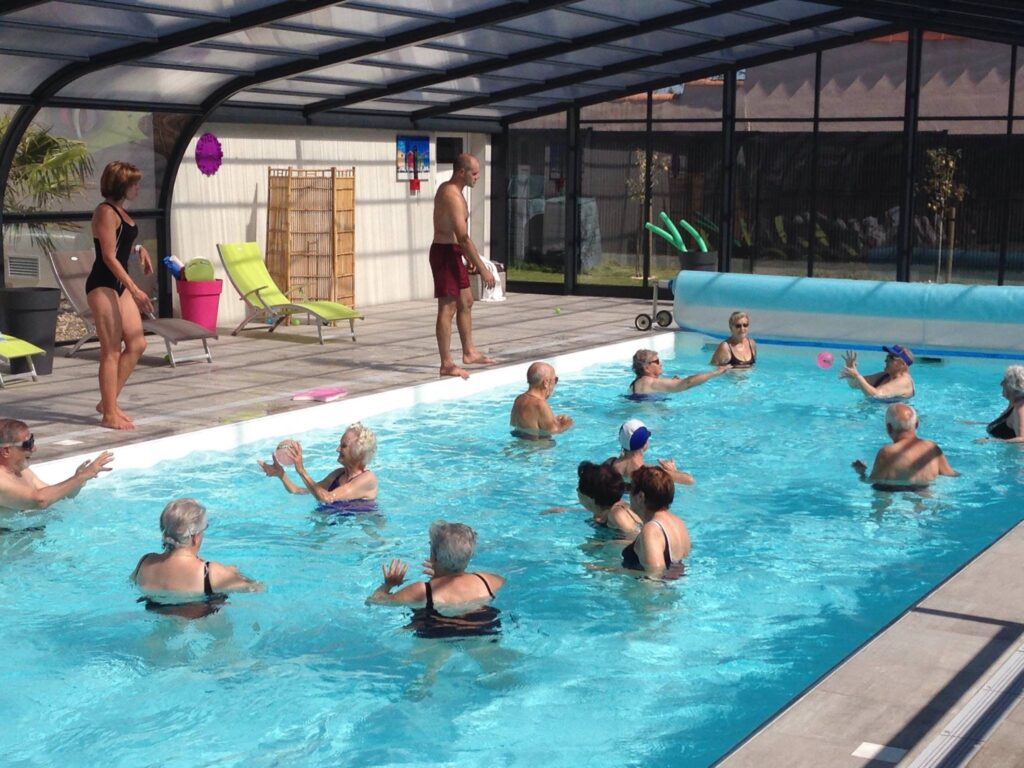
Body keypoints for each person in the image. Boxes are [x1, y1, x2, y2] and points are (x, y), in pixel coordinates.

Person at [88, 161, 154, 430]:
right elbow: (107, 255)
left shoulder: (121, 212)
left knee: (137, 344)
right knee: (111, 350)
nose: (138, 187)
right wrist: (136, 289)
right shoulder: (105, 211)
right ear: (122, 185)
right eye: (134, 183)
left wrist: (140, 249)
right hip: (103, 283)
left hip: (120, 284)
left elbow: (122, 240)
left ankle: (108, 402)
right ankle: (108, 414)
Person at [367, 520, 504, 638]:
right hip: (485, 629)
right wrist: (440, 575)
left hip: (436, 635)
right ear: (469, 555)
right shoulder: (490, 580)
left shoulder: (421, 591)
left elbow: (374, 601)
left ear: (433, 554)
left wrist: (388, 585)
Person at [131, 498, 263, 619]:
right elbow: (257, 588)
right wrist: (233, 574)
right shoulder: (211, 572)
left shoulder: (145, 562)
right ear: (195, 537)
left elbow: (131, 583)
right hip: (204, 623)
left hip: (157, 618)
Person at [431, 153, 496, 379]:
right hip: (444, 254)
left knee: (466, 301)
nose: (478, 177)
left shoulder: (453, 191)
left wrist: (467, 258)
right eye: (475, 173)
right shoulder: (451, 195)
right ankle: (446, 364)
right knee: (447, 308)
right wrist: (483, 267)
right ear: (462, 172)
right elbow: (463, 237)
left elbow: (461, 242)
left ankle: (469, 352)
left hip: (453, 253)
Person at [0, 419, 112, 512]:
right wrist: (78, 478)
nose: (34, 449)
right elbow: (40, 501)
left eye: (32, 441)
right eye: (27, 444)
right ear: (6, 451)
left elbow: (57, 497)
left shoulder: (22, 471)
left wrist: (78, 482)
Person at [258, 422, 378, 507]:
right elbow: (299, 491)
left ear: (359, 451)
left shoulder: (368, 478)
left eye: (344, 446)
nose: (337, 449)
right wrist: (281, 474)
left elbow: (327, 498)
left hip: (360, 531)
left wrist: (302, 471)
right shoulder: (337, 474)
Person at [852, 404, 958, 491]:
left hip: (898, 499)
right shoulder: (933, 448)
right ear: (917, 424)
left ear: (888, 428)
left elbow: (871, 481)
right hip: (927, 493)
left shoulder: (887, 452)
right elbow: (951, 475)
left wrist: (861, 472)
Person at [622, 465, 691, 578]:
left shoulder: (651, 530)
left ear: (640, 497)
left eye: (631, 488)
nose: (629, 494)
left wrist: (609, 571)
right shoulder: (679, 522)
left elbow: (654, 577)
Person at [609, 418, 694, 486]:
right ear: (645, 443)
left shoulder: (610, 464)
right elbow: (689, 480)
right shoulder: (649, 472)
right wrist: (673, 471)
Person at [509, 362, 573, 439]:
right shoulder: (540, 404)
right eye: (555, 380)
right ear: (546, 382)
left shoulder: (519, 399)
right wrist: (566, 423)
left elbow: (519, 426)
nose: (555, 384)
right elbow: (554, 431)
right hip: (538, 449)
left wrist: (553, 420)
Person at [576, 460, 641, 534]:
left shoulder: (616, 514)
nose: (577, 490)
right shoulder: (608, 510)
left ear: (590, 497)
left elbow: (633, 538)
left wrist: (604, 543)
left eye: (579, 488)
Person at [629, 349, 727, 396]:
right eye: (657, 361)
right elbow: (688, 382)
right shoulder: (653, 383)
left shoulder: (633, 385)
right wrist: (715, 373)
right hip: (653, 424)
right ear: (646, 367)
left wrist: (670, 384)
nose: (661, 364)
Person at [840, 344, 915, 401]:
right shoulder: (884, 376)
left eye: (891, 358)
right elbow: (854, 385)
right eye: (887, 357)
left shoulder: (904, 381)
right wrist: (850, 369)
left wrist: (857, 375)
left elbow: (876, 396)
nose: (886, 360)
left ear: (903, 364)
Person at [985, 364, 1024, 442]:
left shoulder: (1020, 409)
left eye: (1005, 381)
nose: (1001, 383)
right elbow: (1003, 424)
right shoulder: (1014, 403)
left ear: (1012, 386)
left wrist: (991, 440)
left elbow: (1022, 439)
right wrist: (976, 424)